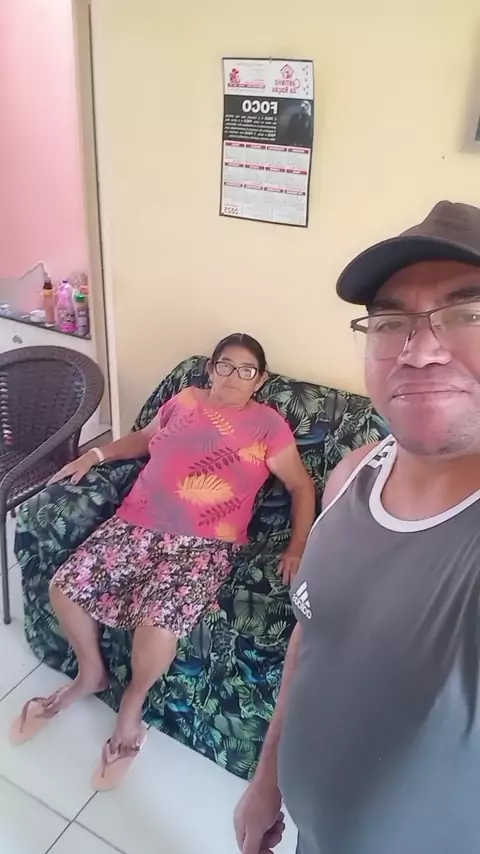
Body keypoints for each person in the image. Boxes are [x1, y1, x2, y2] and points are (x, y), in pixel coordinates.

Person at [234, 201, 480, 854]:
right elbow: (312, 634)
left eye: (467, 313)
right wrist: (268, 779)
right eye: (392, 322)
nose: (419, 351)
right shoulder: (351, 475)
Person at [10, 333, 315, 790]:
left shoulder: (267, 425)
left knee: (159, 624)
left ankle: (131, 708)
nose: (233, 376)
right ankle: (91, 673)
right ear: (211, 368)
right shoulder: (185, 400)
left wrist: (297, 546)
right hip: (135, 522)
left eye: (246, 370)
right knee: (66, 587)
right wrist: (94, 454)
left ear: (259, 379)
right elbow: (145, 439)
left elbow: (301, 486)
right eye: (225, 365)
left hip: (204, 544)